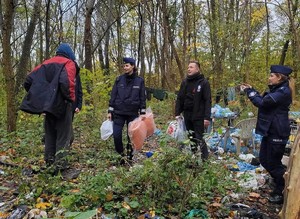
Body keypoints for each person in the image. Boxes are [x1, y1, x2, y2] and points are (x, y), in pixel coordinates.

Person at [240, 65, 294, 204]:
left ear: (279, 77)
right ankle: (282, 181)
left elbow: (263, 103)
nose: (269, 78)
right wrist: (252, 89)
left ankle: (282, 190)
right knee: (264, 159)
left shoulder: (283, 91)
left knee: (273, 163)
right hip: (269, 130)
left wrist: (249, 91)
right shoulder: (277, 89)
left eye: (271, 76)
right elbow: (265, 100)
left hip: (278, 131)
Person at [20, 43, 77, 173]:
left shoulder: (45, 63)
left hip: (47, 107)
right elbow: (66, 82)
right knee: (64, 134)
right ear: (69, 53)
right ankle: (61, 167)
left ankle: (49, 162)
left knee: (50, 133)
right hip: (62, 104)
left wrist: (42, 98)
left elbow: (28, 81)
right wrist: (70, 99)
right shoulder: (69, 63)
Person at [107, 57, 146, 164]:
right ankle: (121, 155)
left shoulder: (139, 81)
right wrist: (110, 111)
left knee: (131, 136)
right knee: (116, 135)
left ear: (133, 66)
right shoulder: (119, 79)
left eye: (127, 65)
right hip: (118, 113)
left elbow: (142, 97)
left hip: (132, 113)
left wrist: (142, 112)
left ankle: (129, 157)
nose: (125, 67)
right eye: (124, 66)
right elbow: (113, 95)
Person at [175, 60, 212, 160]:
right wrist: (177, 113)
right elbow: (180, 98)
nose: (188, 69)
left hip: (199, 115)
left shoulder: (203, 83)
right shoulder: (185, 82)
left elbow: (208, 100)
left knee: (199, 137)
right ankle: (195, 157)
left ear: (197, 69)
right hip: (187, 115)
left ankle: (205, 160)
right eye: (188, 67)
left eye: (191, 67)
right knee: (191, 137)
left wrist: (207, 117)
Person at [70, 63, 83, 147]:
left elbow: (79, 91)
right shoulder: (62, 73)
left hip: (72, 106)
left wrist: (79, 106)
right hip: (61, 106)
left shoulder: (77, 76)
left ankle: (66, 145)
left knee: (68, 125)